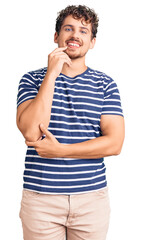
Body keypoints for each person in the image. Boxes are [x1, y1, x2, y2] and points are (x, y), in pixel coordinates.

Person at [16, 4, 125, 240]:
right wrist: (51, 75)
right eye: (69, 28)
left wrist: (60, 150)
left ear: (92, 41)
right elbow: (31, 134)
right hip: (41, 200)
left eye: (84, 31)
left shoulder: (105, 84)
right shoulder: (32, 80)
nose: (75, 35)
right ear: (57, 36)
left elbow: (114, 144)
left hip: (91, 200)